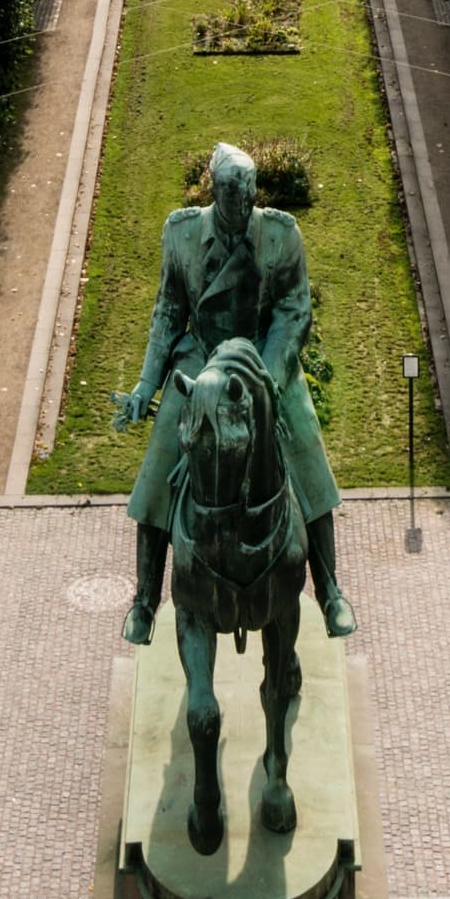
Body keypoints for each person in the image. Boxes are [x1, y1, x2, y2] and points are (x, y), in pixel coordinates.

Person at [113, 143, 354, 642]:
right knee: (161, 459)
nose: (241, 201)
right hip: (201, 358)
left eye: (248, 191)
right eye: (231, 191)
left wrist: (267, 378)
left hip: (263, 361)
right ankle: (144, 599)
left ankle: (330, 590)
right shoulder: (180, 234)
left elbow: (293, 311)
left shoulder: (282, 235)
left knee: (304, 445)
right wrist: (145, 382)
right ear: (213, 187)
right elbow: (167, 311)